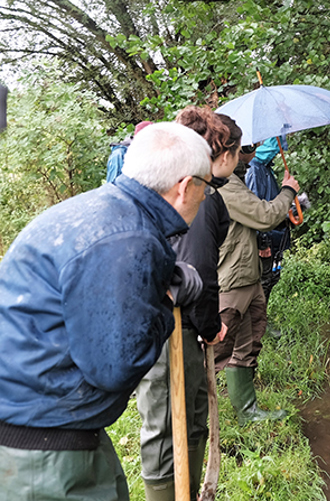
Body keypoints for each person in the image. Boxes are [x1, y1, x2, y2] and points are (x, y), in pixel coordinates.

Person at [0, 122, 212, 500]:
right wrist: (165, 303)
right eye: (205, 186)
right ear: (184, 186)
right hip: (43, 453)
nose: (205, 196)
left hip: (50, 428)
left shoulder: (99, 211)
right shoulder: (128, 238)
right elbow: (116, 366)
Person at [135, 107, 240, 501]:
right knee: (164, 425)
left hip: (183, 320)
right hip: (168, 323)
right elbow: (199, 270)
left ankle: (192, 492)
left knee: (193, 415)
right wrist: (211, 326)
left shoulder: (202, 193)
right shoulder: (195, 192)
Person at [214, 142, 300, 425]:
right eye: (242, 147)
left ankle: (247, 412)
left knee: (247, 344)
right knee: (218, 351)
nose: (247, 151)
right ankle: (194, 412)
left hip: (247, 274)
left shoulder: (236, 179)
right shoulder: (225, 186)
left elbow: (251, 221)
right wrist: (289, 190)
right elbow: (264, 216)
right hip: (231, 278)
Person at [245, 137, 310, 337]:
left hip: (276, 235)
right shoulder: (254, 169)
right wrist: (261, 241)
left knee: (273, 278)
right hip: (266, 240)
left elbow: (272, 202)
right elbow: (256, 210)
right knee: (264, 281)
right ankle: (257, 327)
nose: (278, 148)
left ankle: (261, 321)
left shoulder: (265, 168)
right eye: (275, 142)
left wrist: (293, 206)